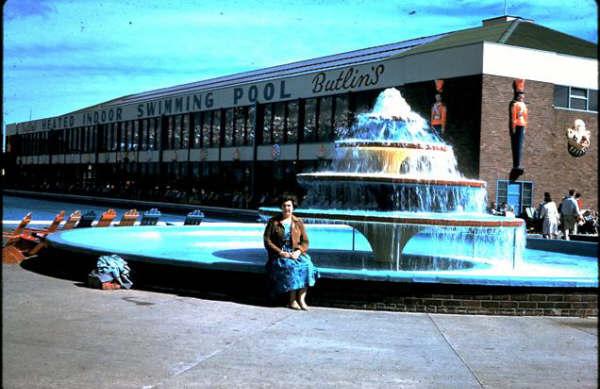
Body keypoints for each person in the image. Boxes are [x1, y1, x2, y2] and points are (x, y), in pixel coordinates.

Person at [263, 197, 318, 310]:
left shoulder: (298, 222)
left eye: (289, 206)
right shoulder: (273, 222)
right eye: (284, 206)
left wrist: (298, 251)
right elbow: (267, 241)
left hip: (296, 253)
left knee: (308, 266)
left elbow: (305, 241)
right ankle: (292, 300)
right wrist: (280, 252)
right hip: (280, 255)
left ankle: (302, 299)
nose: (287, 208)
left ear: (293, 208)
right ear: (281, 207)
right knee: (292, 267)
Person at [509, 90, 528, 180]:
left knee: (520, 145)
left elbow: (525, 117)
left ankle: (518, 164)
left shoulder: (524, 105)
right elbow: (513, 116)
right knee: (517, 145)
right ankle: (516, 164)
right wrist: (513, 127)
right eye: (520, 96)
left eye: (523, 96)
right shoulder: (515, 104)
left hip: (522, 124)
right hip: (517, 124)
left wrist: (525, 128)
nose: (522, 98)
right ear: (517, 97)